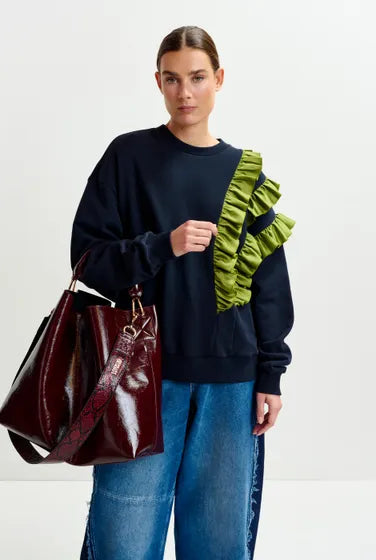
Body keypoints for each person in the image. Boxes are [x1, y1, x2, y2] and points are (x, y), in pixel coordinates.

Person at [70, 25, 295, 560]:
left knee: (219, 546)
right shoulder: (128, 157)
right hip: (141, 379)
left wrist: (270, 373)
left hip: (232, 385)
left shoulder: (244, 172)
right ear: (158, 82)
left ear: (219, 79)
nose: (185, 92)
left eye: (197, 78)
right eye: (172, 79)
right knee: (123, 544)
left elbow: (269, 283)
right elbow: (87, 259)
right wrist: (161, 246)